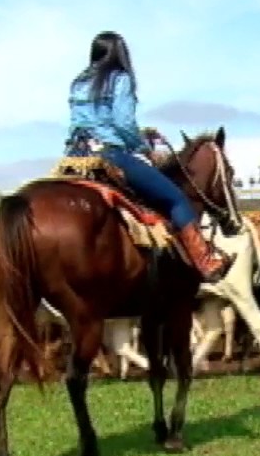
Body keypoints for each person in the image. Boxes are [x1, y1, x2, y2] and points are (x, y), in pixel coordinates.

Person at [64, 30, 233, 282]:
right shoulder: (119, 79)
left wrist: (140, 134)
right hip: (109, 155)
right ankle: (205, 260)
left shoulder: (79, 82)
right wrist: (144, 147)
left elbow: (92, 123)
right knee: (176, 198)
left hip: (74, 158)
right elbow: (121, 124)